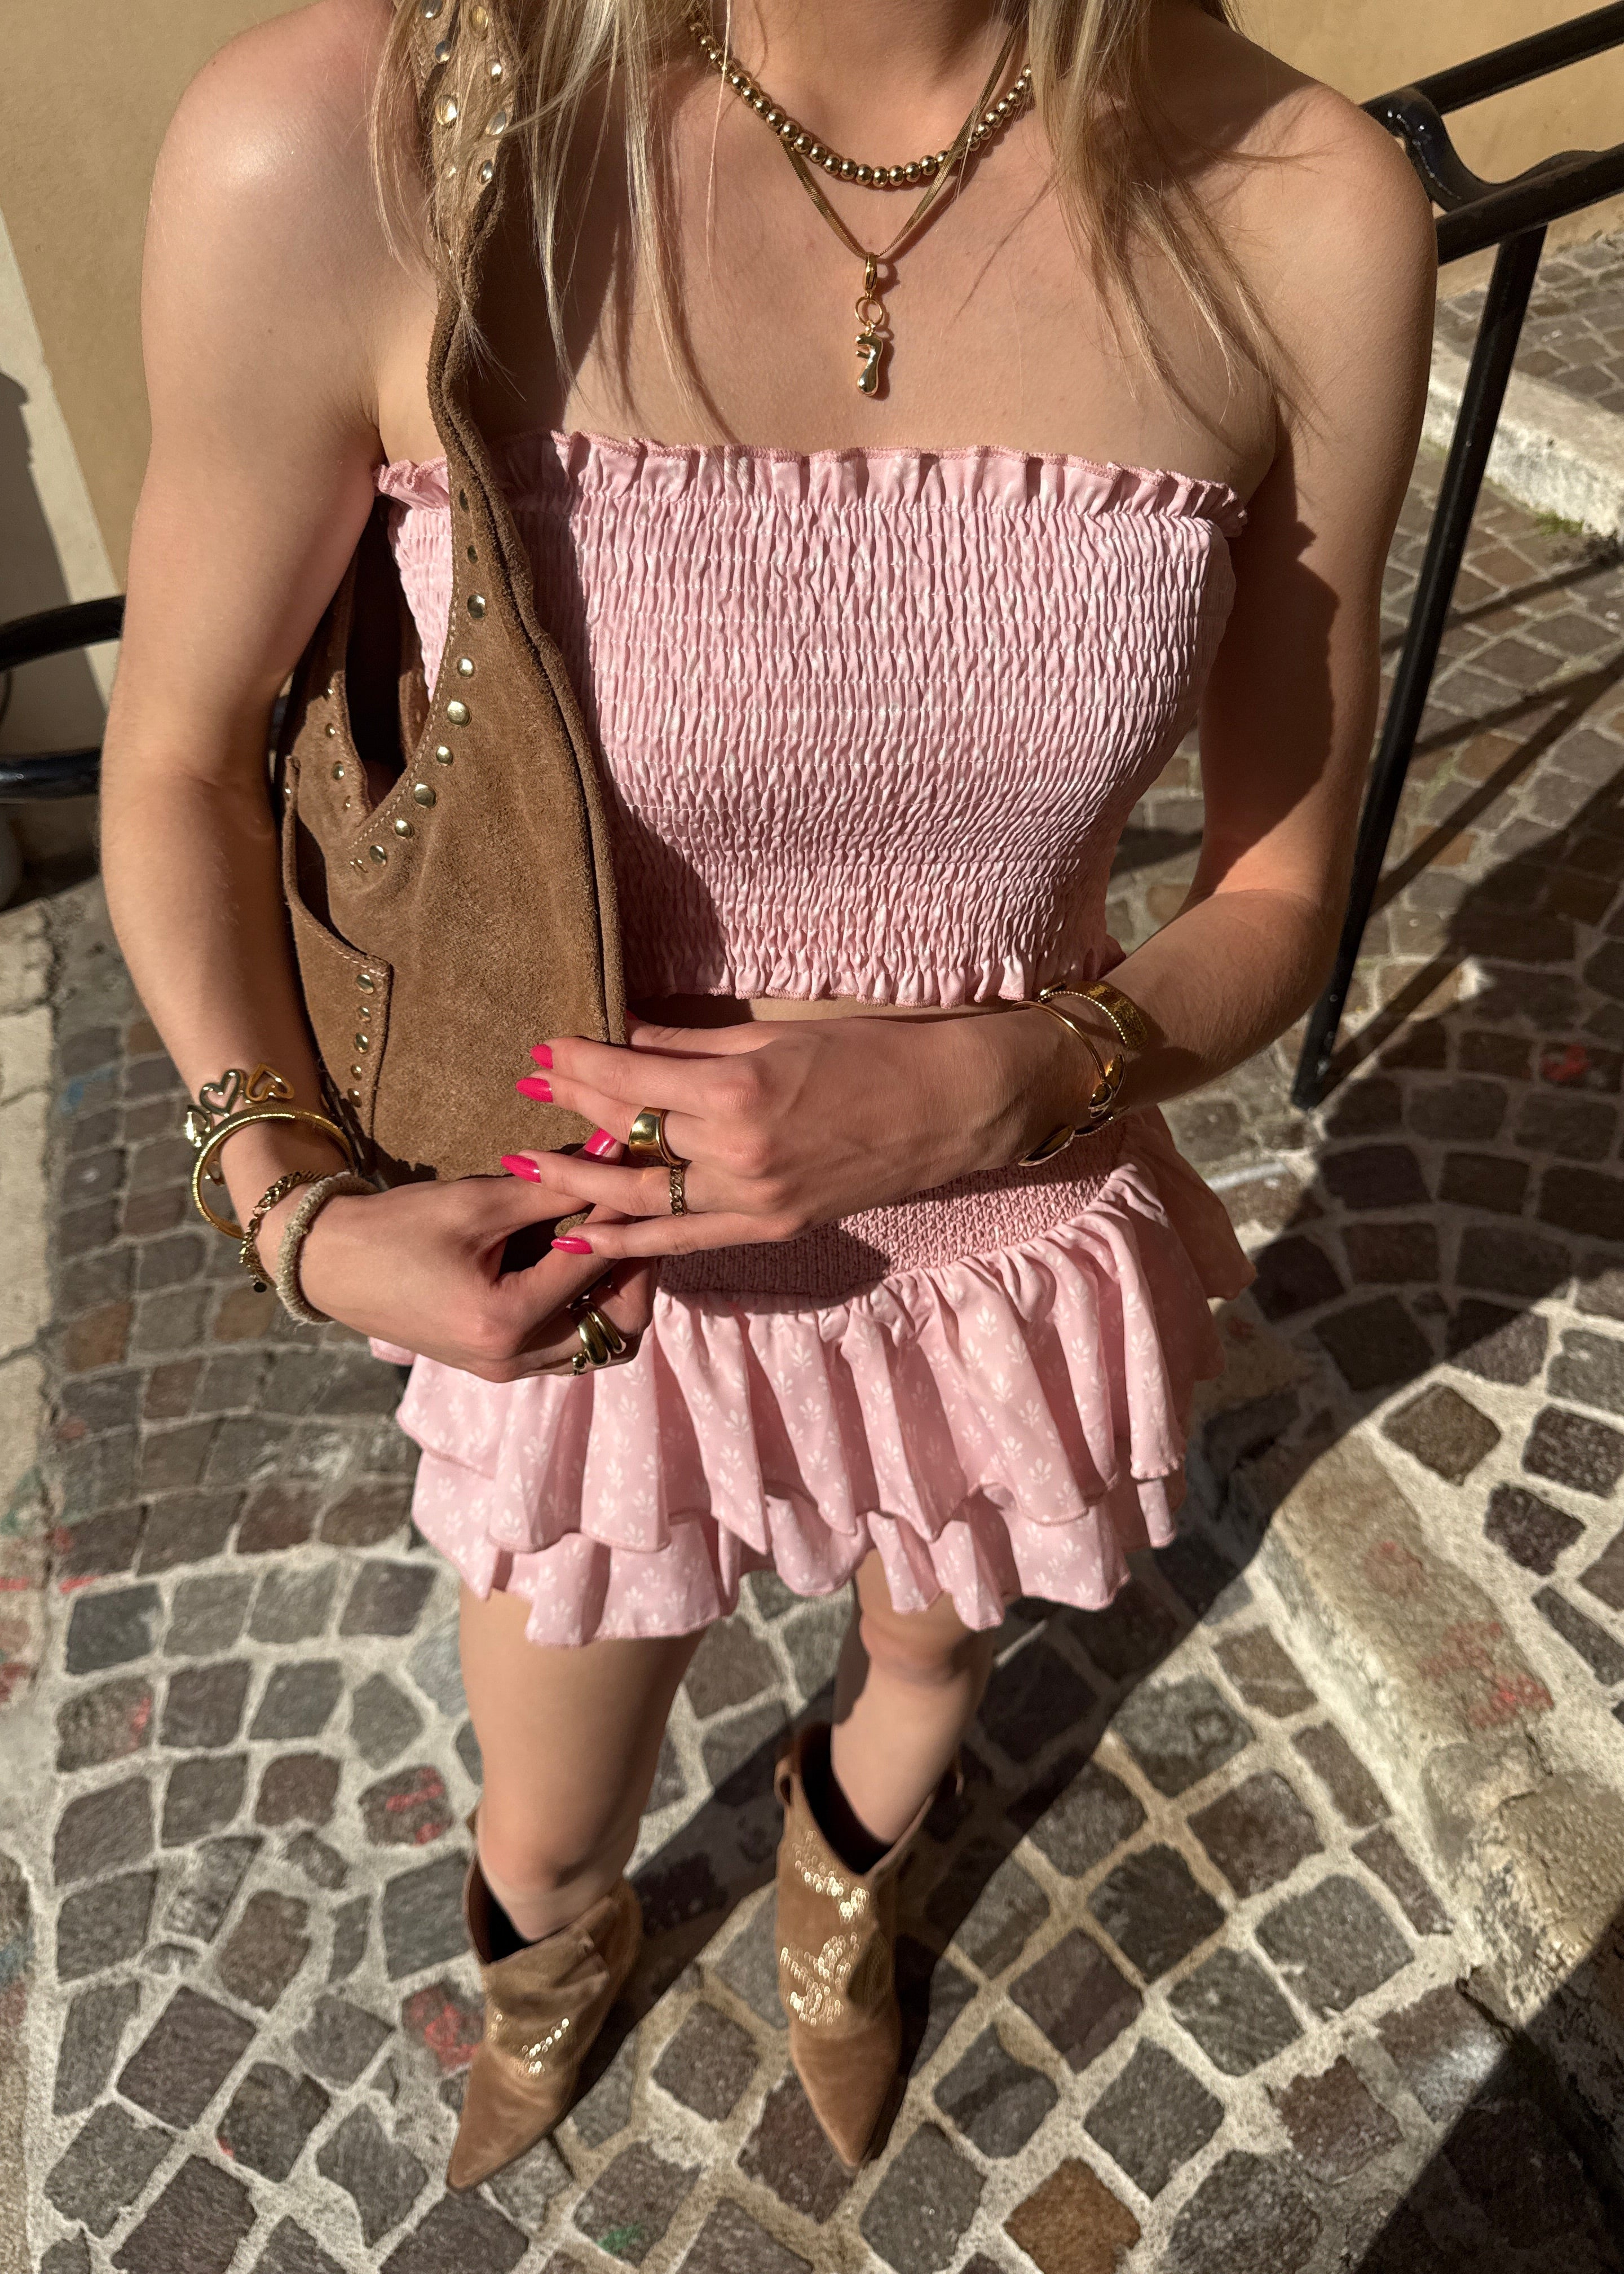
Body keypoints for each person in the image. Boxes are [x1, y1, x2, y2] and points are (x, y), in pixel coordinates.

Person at [100, 0, 1434, 2189]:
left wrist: (1031, 1069)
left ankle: (842, 1885)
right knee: (548, 1813)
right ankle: (550, 1971)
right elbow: (176, 764)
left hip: (1002, 1250)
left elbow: (1281, 889)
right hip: (590, 1291)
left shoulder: (1301, 207)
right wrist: (293, 1208)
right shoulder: (357, 142)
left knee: (925, 1667)